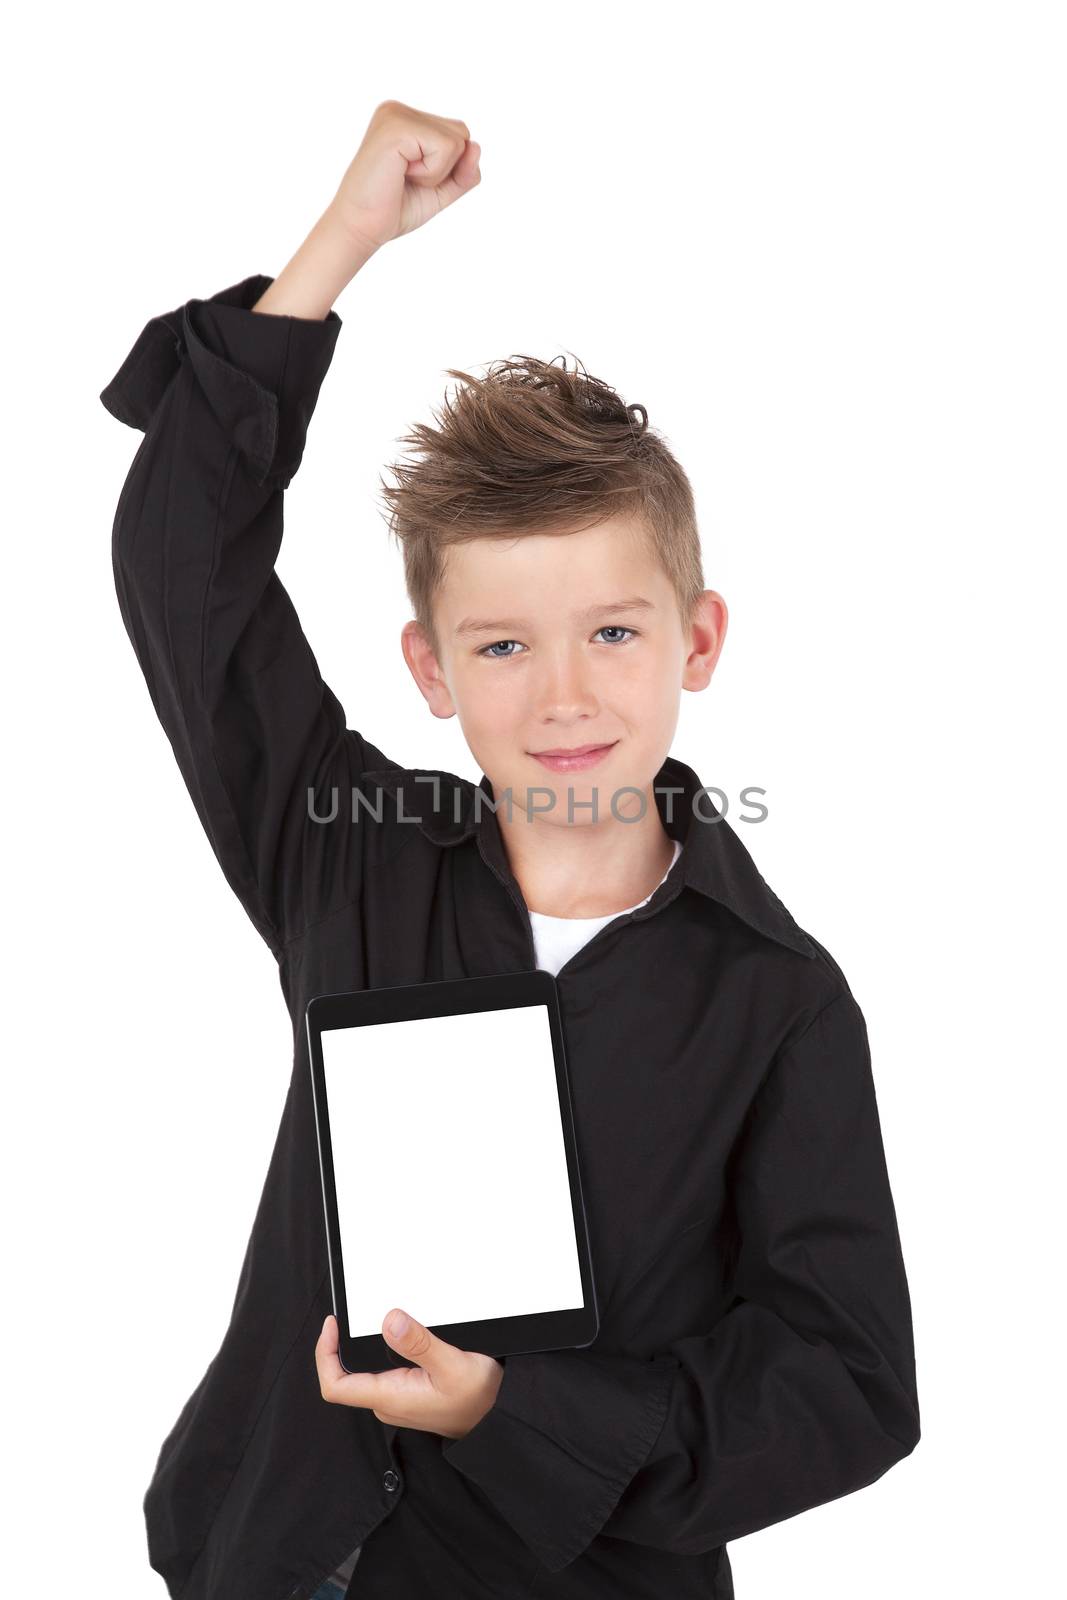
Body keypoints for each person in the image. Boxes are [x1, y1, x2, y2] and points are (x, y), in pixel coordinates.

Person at [100, 100, 920, 1600]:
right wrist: (342, 240)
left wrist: (513, 1409)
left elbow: (845, 1382)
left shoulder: (776, 998)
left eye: (613, 632)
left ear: (699, 638)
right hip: (275, 1555)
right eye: (501, 645)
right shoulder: (351, 861)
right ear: (430, 671)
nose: (561, 697)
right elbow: (183, 563)